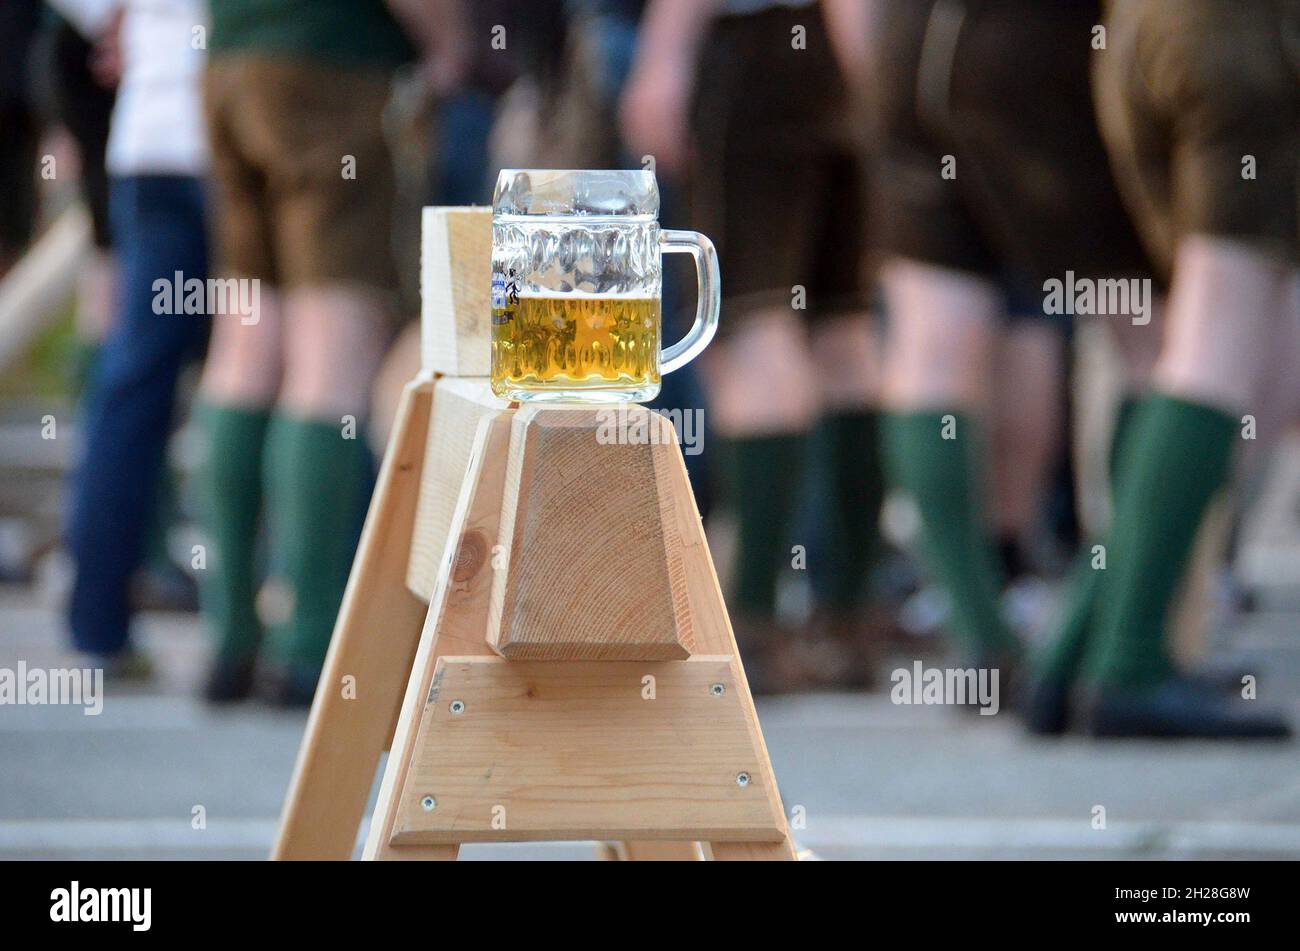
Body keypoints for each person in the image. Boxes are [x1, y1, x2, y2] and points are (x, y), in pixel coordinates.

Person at [861, 0, 1153, 686]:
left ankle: (980, 636)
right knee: (1164, 336)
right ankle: (1102, 639)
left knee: (933, 333)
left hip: (901, 41)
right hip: (1032, 44)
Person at [1028, 0, 1298, 738]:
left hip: (1143, 26)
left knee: (1249, 350)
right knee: (1218, 342)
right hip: (1243, 33)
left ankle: (1079, 648)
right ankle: (1130, 663)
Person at [197, 0, 468, 705]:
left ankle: (229, 639)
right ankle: (308, 645)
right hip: (334, 67)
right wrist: (450, 42)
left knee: (245, 350)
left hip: (228, 61)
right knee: (330, 359)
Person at [622, 0, 885, 691]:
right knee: (843, 335)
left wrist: (665, 52)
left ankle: (756, 625)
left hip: (754, 46)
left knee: (748, 329)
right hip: (854, 54)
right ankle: (848, 619)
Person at [62, 0, 210, 675]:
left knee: (135, 377)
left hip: (152, 127)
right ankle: (292, 641)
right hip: (238, 121)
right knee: (299, 361)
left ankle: (98, 626)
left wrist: (119, 19)